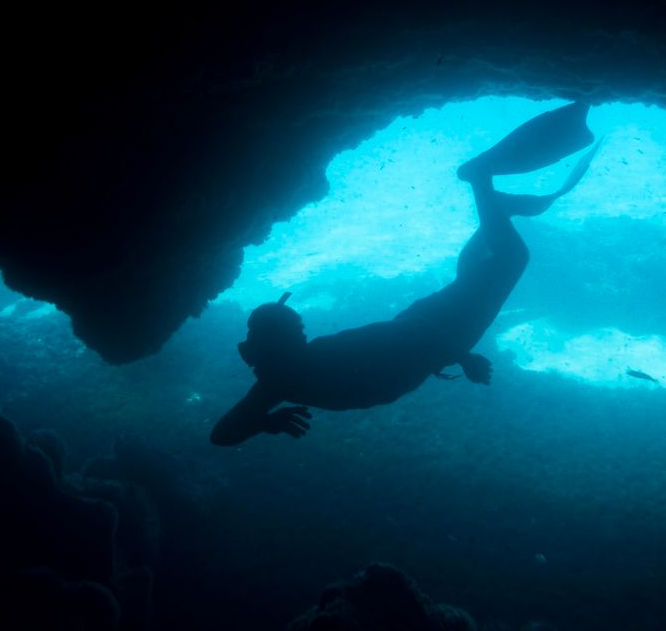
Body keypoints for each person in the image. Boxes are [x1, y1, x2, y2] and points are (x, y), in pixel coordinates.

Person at [210, 102, 598, 445]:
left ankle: (482, 181)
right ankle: (496, 207)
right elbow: (221, 435)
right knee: (484, 272)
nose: (303, 333)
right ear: (275, 344)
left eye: (298, 327)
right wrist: (264, 423)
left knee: (510, 259)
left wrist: (463, 357)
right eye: (297, 329)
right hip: (440, 334)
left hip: (443, 328)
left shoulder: (296, 371)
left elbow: (412, 331)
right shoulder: (282, 380)